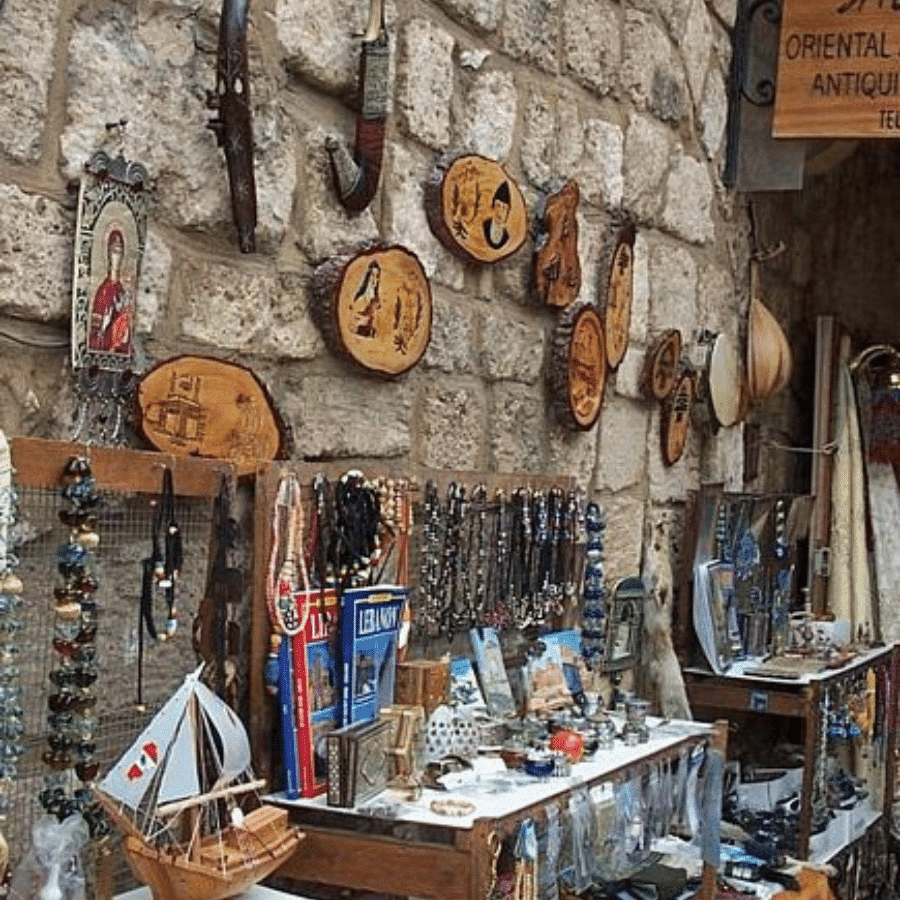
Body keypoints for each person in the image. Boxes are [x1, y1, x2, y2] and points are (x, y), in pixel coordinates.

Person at [88, 228, 132, 354]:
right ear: (108, 253)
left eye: (119, 251)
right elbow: (96, 331)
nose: (116, 256)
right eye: (114, 251)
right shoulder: (103, 291)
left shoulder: (122, 291)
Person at [482, 180, 512, 250]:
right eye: (498, 205)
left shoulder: (506, 236)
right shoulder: (485, 225)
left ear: (507, 212)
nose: (500, 211)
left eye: (504, 207)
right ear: (493, 206)